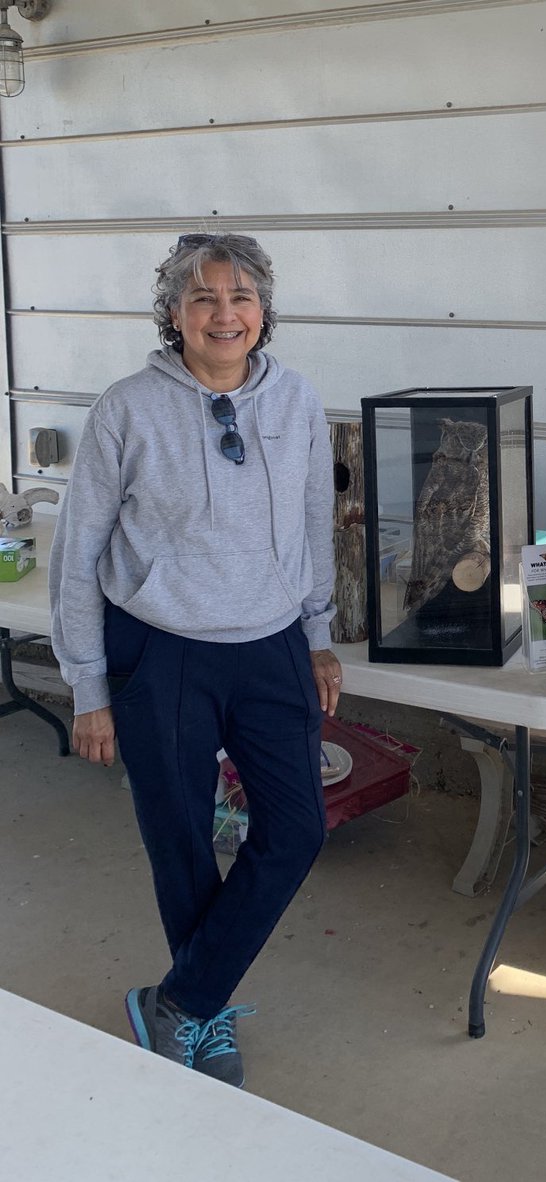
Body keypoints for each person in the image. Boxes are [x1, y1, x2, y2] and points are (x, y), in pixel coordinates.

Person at [49, 233, 342, 1088]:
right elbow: (78, 553)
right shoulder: (128, 408)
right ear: (174, 314)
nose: (225, 313)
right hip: (161, 651)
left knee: (294, 831)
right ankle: (200, 1013)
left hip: (272, 646)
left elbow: (316, 529)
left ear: (263, 311)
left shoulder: (296, 402)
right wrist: (87, 686)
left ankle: (181, 998)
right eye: (204, 298)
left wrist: (319, 635)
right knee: (178, 842)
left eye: (241, 296)